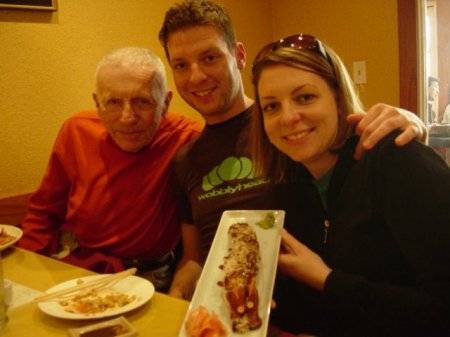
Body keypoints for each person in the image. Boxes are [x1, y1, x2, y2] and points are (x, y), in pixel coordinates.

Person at [158, 0, 428, 302]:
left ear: (238, 56)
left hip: (325, 303)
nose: (196, 76)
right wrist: (177, 298)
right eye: (181, 65)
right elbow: (195, 257)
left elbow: (353, 149)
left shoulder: (288, 134)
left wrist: (408, 123)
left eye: (210, 57)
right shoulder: (186, 159)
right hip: (242, 310)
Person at [250, 33, 450, 336]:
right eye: (271, 106)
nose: (288, 117)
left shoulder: (398, 161)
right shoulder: (284, 188)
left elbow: (440, 312)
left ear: (338, 100)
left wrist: (326, 279)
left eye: (305, 97)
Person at [18, 47, 203, 291]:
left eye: (142, 101)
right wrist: (21, 281)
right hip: (80, 268)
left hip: (151, 276)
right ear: (97, 103)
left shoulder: (189, 139)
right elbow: (43, 214)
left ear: (165, 102)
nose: (127, 117)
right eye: (113, 102)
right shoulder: (76, 131)